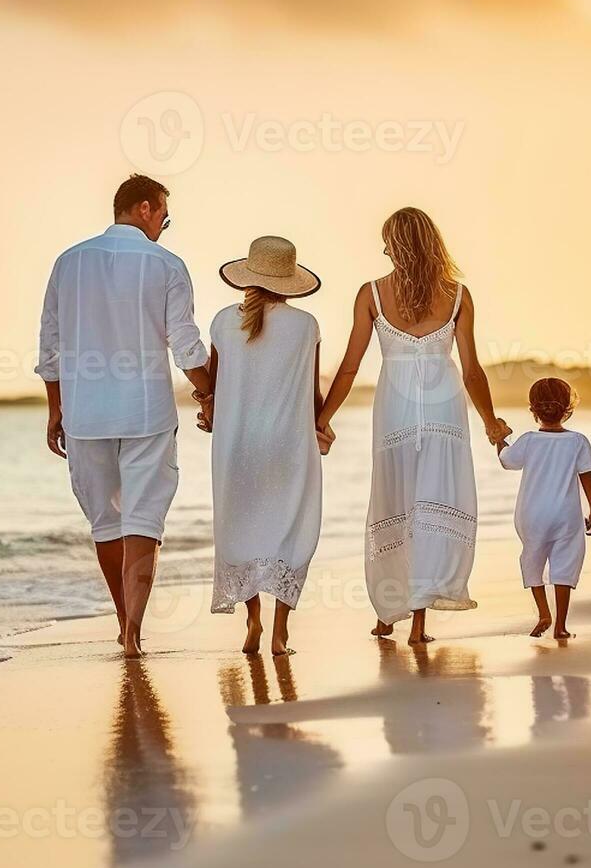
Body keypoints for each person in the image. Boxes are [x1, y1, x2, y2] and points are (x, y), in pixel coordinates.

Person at [316, 207, 511, 645]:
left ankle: (389, 613)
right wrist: (490, 423)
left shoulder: (371, 293)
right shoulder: (457, 295)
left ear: (400, 244)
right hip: (445, 418)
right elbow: (472, 371)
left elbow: (349, 367)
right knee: (431, 505)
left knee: (395, 503)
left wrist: (322, 419)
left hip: (395, 417)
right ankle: (417, 624)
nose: (383, 247)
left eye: (387, 240)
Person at [36, 174, 212, 659]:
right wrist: (209, 394)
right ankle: (134, 629)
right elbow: (186, 342)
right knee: (144, 521)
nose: (163, 227)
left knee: (105, 523)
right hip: (147, 413)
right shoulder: (166, 264)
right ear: (144, 208)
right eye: (163, 217)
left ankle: (121, 621)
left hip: (86, 414)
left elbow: (49, 345)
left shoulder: (68, 263)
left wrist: (57, 409)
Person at [199, 236, 327, 657]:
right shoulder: (306, 325)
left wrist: (209, 412)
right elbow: (311, 391)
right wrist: (324, 425)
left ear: (247, 277)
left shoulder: (221, 322)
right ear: (289, 280)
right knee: (291, 528)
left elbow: (214, 389)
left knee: (242, 528)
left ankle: (252, 618)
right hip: (289, 444)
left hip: (236, 446)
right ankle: (280, 633)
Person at [497, 377, 591, 640]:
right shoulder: (578, 441)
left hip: (532, 514)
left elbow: (507, 461)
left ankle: (544, 612)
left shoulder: (529, 440)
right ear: (568, 407)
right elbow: (586, 477)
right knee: (564, 564)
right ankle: (560, 626)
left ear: (533, 409)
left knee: (533, 557)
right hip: (566, 514)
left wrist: (499, 438)